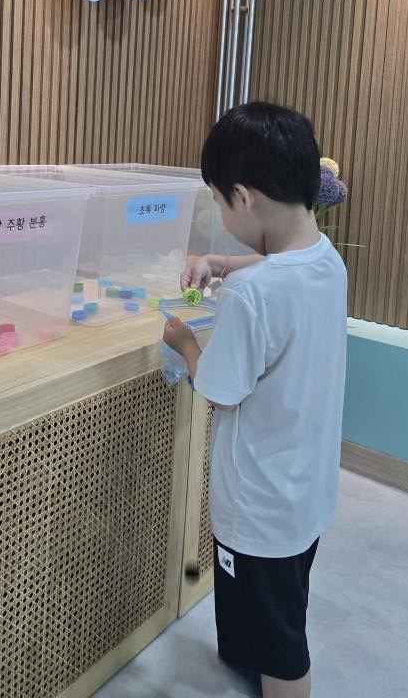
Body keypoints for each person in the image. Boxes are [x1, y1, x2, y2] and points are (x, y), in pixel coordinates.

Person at [163, 101, 347, 698]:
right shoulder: (328, 261)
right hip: (304, 491)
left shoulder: (249, 295)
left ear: (242, 197)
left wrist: (186, 343)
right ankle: (253, 666)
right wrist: (222, 261)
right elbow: (281, 262)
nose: (221, 214)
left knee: (282, 644)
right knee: (277, 603)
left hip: (259, 504)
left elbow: (218, 391)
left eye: (218, 202)